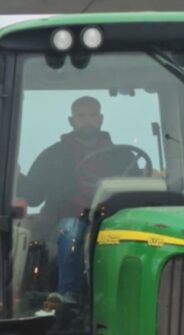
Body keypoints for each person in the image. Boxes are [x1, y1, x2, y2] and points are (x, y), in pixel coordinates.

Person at [18, 96, 136, 301]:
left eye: (92, 115)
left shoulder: (123, 155)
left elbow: (137, 185)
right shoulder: (53, 155)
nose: (87, 120)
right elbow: (33, 195)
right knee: (71, 231)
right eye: (81, 116)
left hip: (113, 218)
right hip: (70, 218)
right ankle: (69, 294)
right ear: (71, 121)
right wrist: (16, 175)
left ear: (101, 119)